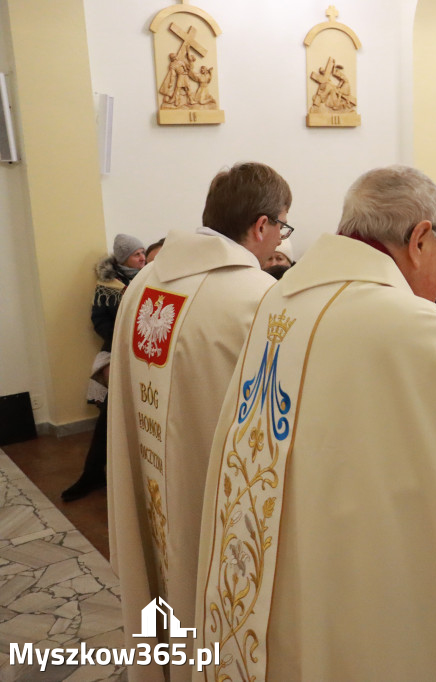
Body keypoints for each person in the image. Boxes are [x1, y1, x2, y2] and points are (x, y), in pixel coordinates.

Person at [193, 165, 436, 681]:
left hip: (291, 568)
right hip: (363, 581)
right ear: (421, 238)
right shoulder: (404, 324)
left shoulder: (284, 298)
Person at [106, 162, 289, 681]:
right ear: (261, 226)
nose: (279, 238)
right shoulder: (255, 301)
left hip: (156, 477)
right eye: (281, 227)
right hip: (209, 512)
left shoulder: (144, 286)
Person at [61, 234, 146, 502]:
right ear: (123, 258)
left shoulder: (150, 279)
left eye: (144, 254)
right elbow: (99, 320)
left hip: (149, 352)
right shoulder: (108, 284)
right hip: (119, 350)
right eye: (137, 254)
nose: (142, 259)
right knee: (110, 410)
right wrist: (121, 338)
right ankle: (94, 471)